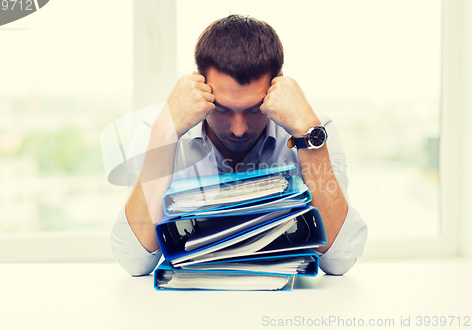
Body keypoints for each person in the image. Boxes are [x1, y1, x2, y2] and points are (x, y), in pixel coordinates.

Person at [110, 14, 367, 276]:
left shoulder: (313, 131)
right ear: (199, 86)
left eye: (255, 109)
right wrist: (165, 135)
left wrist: (308, 136)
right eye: (221, 109)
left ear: (278, 86)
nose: (238, 128)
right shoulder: (160, 131)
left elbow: (340, 260)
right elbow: (134, 261)